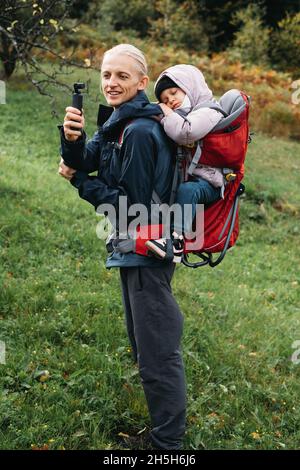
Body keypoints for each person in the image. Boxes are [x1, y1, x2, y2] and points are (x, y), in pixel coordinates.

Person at [58, 44, 186, 450]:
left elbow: (130, 208)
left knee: (158, 352)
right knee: (142, 343)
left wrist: (77, 180)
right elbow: (85, 160)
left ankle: (167, 447)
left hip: (148, 251)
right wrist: (71, 140)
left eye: (122, 76)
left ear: (142, 82)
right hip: (130, 248)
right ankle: (163, 431)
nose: (111, 83)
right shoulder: (117, 121)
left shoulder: (142, 131)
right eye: (106, 75)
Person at [145, 64, 224, 260]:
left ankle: (175, 243)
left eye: (174, 93)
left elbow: (185, 133)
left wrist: (163, 110)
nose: (170, 100)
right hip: (195, 177)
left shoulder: (209, 111)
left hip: (211, 181)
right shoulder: (187, 113)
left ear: (190, 88)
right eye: (164, 99)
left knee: (188, 191)